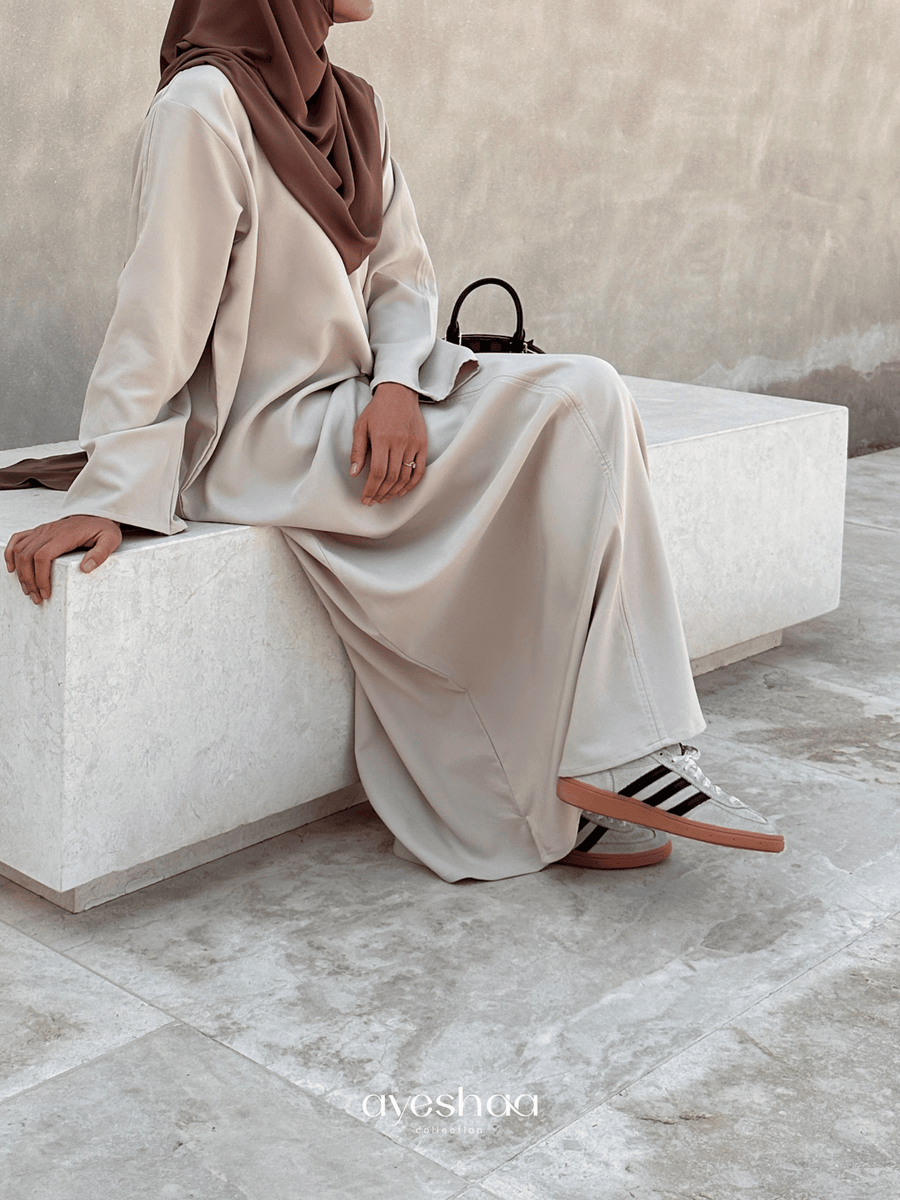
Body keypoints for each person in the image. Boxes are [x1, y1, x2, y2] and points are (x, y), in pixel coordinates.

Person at [3, 0, 783, 882]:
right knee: (578, 400)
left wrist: (399, 385)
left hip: (357, 408)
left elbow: (404, 278)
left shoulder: (351, 107)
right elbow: (157, 317)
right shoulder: (203, 105)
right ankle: (612, 757)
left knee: (589, 402)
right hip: (265, 436)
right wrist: (113, 490)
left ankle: (605, 758)